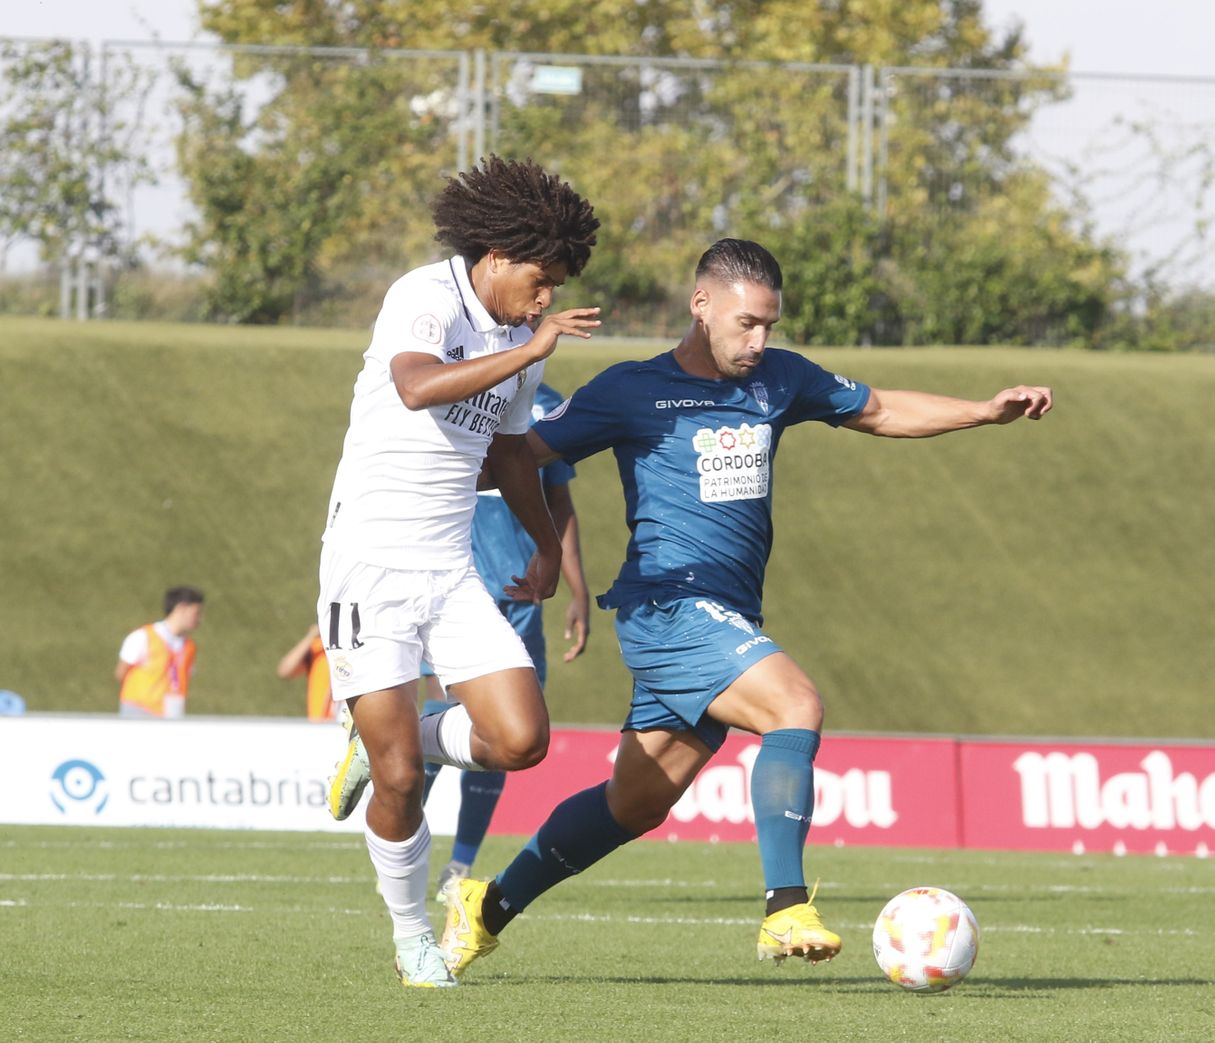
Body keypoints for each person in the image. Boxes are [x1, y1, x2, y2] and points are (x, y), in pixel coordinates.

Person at [438, 238, 1052, 978]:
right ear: (701, 305)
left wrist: (983, 412)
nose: (759, 340)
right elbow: (513, 454)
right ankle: (784, 906)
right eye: (746, 323)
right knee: (794, 703)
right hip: (665, 605)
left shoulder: (779, 380)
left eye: (769, 324)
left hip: (726, 614)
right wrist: (493, 524)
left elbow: (883, 409)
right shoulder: (630, 390)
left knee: (632, 803)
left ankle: (485, 907)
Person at [316, 154, 600, 988]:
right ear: (497, 257)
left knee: (523, 739)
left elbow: (511, 455)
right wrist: (532, 349)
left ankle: (389, 732)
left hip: (449, 566)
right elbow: (417, 388)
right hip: (368, 564)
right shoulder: (425, 295)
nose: (544, 299)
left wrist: (546, 546)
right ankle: (412, 938)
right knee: (400, 778)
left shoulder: (523, 337)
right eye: (539, 280)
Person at [421, 382, 592, 900]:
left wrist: (577, 588)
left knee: (507, 738)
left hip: (522, 595)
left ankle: (460, 864)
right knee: (443, 717)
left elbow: (559, 503)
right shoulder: (453, 391)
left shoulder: (546, 407)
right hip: (456, 591)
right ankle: (406, 845)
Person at [116, 586, 204, 718]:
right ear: (181, 608)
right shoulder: (143, 636)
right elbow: (121, 673)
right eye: (196, 613)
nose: (199, 619)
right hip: (139, 712)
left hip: (171, 713)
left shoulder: (189, 646)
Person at [277, 623, 333, 721]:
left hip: (351, 726)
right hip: (320, 725)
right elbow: (285, 670)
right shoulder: (318, 646)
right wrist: (312, 635)